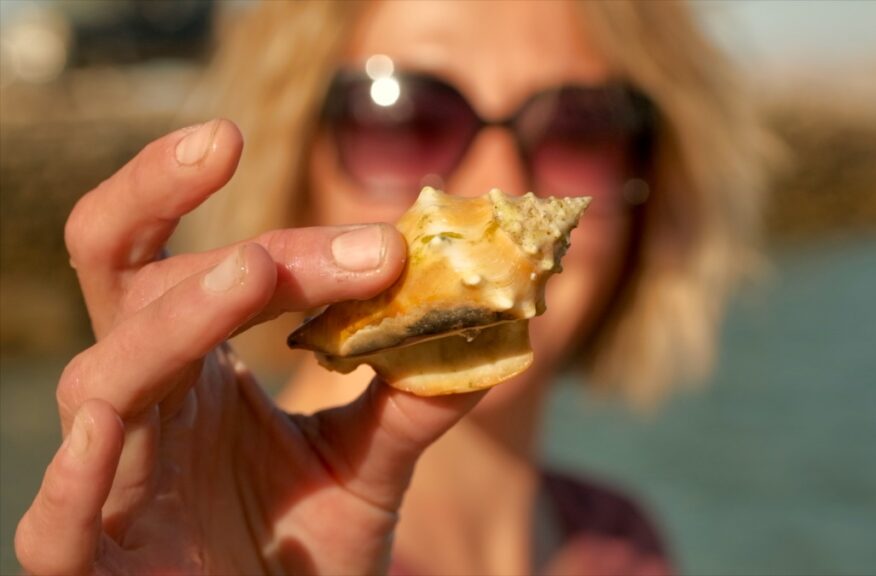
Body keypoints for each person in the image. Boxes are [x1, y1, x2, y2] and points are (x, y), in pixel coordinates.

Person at [15, 1, 771, 574]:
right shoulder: (208, 536)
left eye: (581, 130)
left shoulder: (620, 543)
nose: (494, 182)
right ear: (296, 158)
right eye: (407, 115)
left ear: (656, 188)